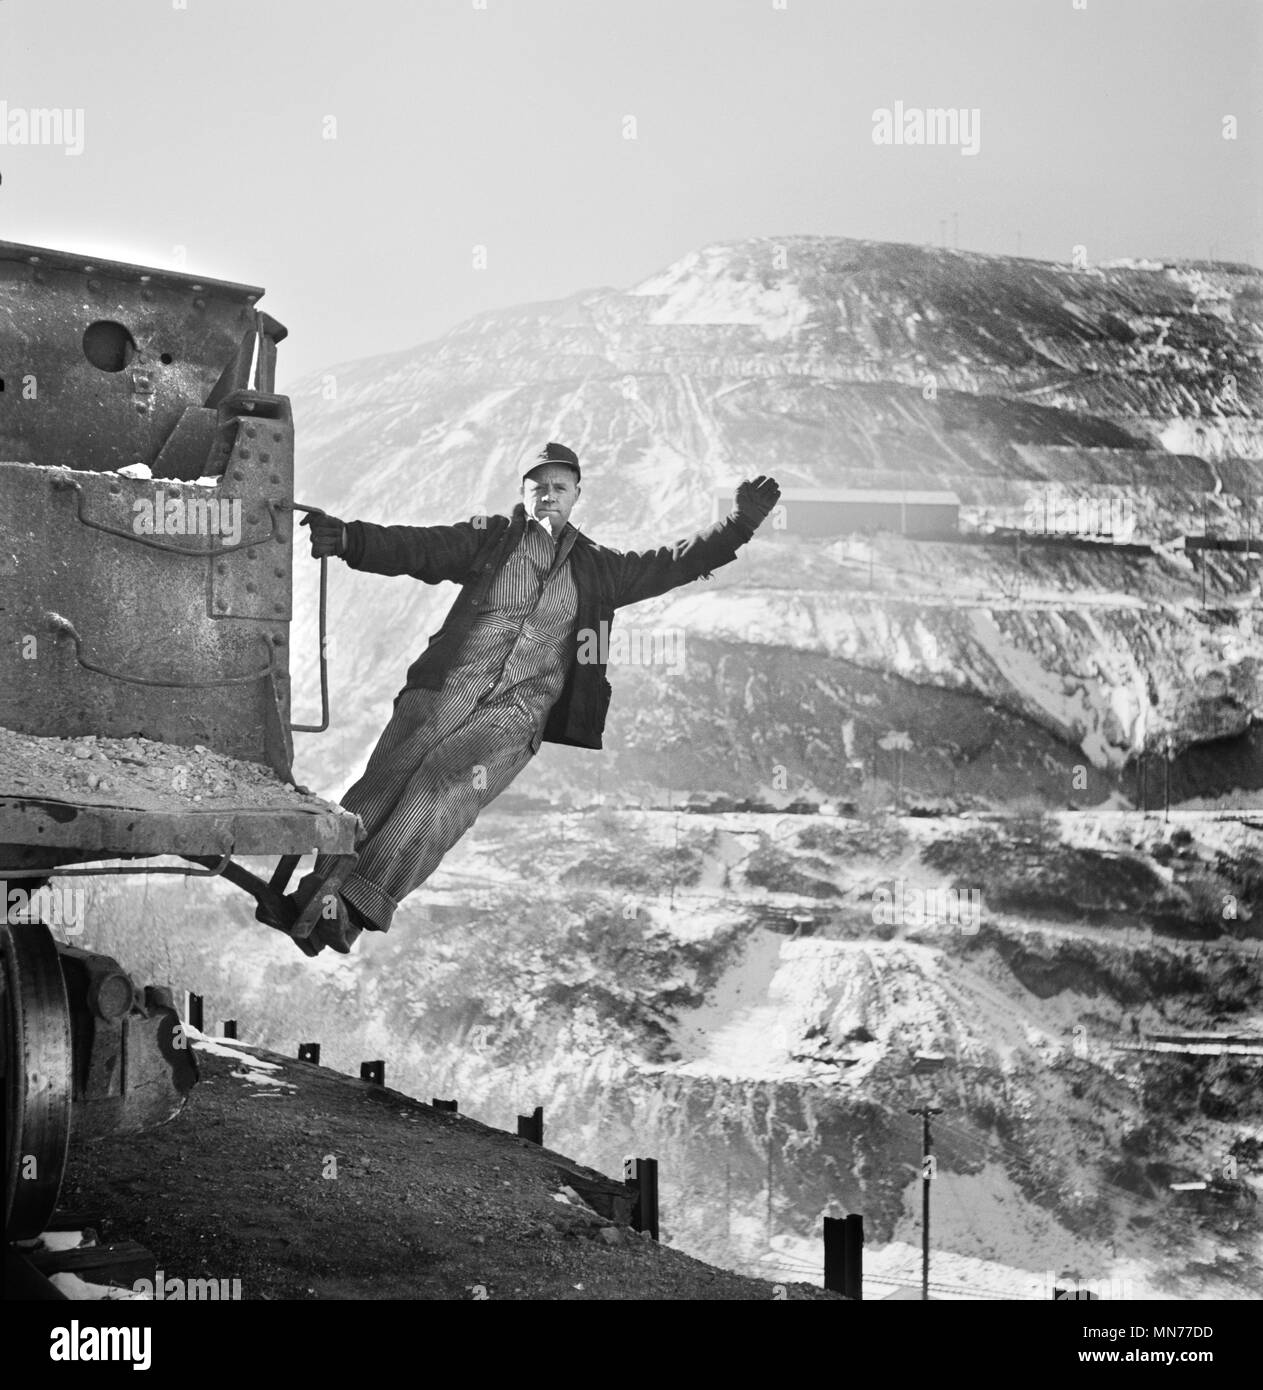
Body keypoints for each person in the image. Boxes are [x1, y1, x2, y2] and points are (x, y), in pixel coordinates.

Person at [292, 442, 780, 954]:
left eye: (559, 487)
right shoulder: (492, 540)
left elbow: (673, 564)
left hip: (516, 711)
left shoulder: (600, 570)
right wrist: (350, 538)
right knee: (387, 780)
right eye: (538, 486)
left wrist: (738, 526)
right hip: (447, 685)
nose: (549, 495)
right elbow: (422, 548)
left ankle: (351, 906)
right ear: (524, 493)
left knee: (444, 788)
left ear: (576, 495)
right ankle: (322, 893)